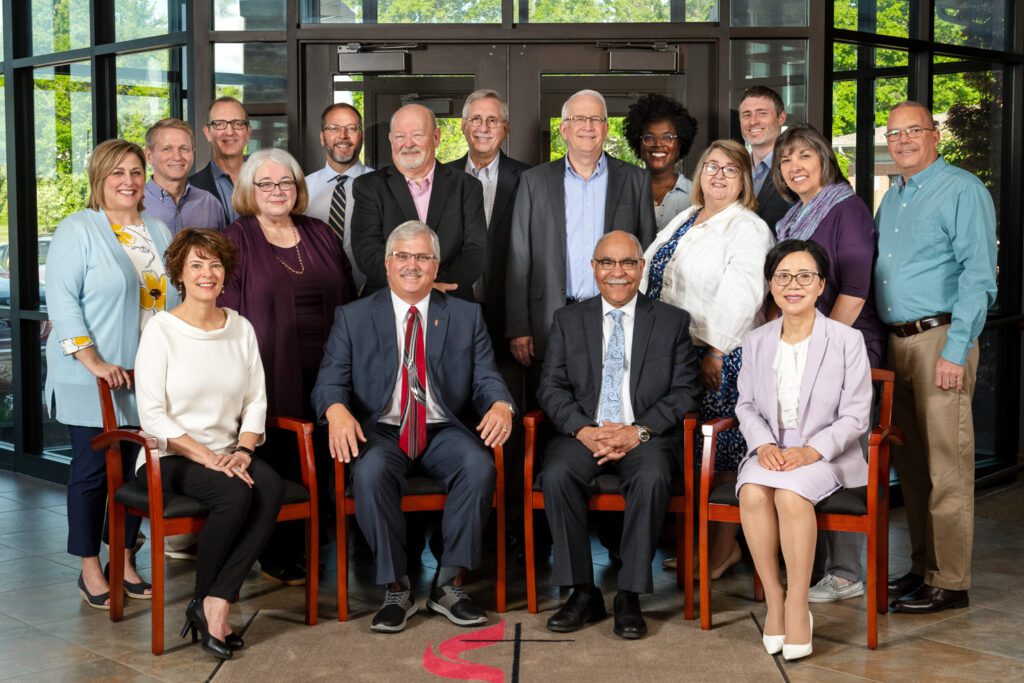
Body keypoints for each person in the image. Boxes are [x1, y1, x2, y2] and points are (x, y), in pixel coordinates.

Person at [312, 221, 515, 634]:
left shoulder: (465, 315)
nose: (412, 265)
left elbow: (485, 376)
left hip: (442, 428)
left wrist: (501, 403)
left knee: (479, 467)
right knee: (368, 472)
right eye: (402, 256)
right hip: (382, 430)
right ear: (387, 264)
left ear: (436, 265)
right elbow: (329, 380)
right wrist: (335, 409)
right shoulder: (353, 317)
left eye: (422, 257)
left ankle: (448, 584)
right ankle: (396, 587)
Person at [538, 231, 700, 640]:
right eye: (607, 263)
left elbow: (686, 391)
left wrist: (638, 431)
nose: (617, 272)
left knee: (651, 477)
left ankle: (629, 593)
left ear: (641, 268)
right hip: (584, 434)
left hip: (644, 435)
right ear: (593, 268)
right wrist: (583, 429)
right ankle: (582, 591)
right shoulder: (568, 319)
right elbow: (551, 387)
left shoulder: (671, 321)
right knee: (556, 475)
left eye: (627, 263)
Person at [135, 228, 283, 660]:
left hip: (228, 452)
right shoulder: (160, 330)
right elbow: (153, 417)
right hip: (170, 456)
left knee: (270, 485)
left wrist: (244, 450)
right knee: (234, 493)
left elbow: (257, 398)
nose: (207, 273)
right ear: (180, 272)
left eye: (215, 264)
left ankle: (214, 599)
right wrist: (209, 458)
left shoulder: (240, 327)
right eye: (196, 264)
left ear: (225, 273)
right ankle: (208, 599)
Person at [45, 138, 180, 609]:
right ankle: (89, 568)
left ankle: (123, 560)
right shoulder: (77, 229)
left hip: (143, 378)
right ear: (98, 180)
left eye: (135, 172)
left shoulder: (160, 231)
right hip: (91, 375)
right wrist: (94, 361)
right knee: (92, 472)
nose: (127, 181)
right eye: (116, 173)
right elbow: (62, 305)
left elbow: (174, 301)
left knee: (134, 473)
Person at [876, 102, 997, 614]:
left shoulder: (963, 190)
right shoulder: (895, 197)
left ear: (934, 135)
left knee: (947, 464)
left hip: (939, 341)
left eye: (913, 131)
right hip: (897, 344)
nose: (902, 140)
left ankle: (951, 580)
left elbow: (979, 276)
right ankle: (923, 568)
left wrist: (955, 349)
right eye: (894, 132)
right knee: (914, 465)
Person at [220, 148, 355, 585]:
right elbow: (224, 313)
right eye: (266, 184)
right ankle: (277, 551)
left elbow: (349, 295)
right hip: (269, 369)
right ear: (249, 190)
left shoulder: (318, 232)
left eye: (285, 183)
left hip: (330, 367)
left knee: (325, 455)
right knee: (278, 458)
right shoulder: (235, 239)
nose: (277, 191)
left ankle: (321, 543)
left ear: (297, 189)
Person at [640, 139, 774, 576]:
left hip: (720, 355)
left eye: (730, 170)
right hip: (676, 350)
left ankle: (722, 547)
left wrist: (715, 351)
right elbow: (650, 269)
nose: (717, 175)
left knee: (721, 452)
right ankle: (696, 542)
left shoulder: (748, 227)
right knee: (691, 451)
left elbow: (743, 295)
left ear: (744, 181)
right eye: (711, 166)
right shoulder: (686, 216)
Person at [735, 239, 872, 661]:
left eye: (804, 276)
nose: (793, 285)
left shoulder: (847, 340)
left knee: (791, 496)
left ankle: (797, 604)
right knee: (753, 492)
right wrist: (761, 444)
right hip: (770, 450)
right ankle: (774, 601)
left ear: (820, 286)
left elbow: (856, 416)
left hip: (824, 454)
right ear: (772, 286)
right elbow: (746, 405)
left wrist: (811, 451)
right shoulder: (756, 340)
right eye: (783, 277)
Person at [770, 123, 887, 603]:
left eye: (804, 157)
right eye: (786, 160)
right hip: (800, 349)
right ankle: (812, 564)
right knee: (804, 450)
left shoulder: (846, 208)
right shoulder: (794, 217)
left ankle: (845, 571)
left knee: (840, 451)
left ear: (823, 159)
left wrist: (822, 351)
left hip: (845, 349)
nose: (795, 167)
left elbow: (855, 292)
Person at [506, 89, 656, 373]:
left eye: (596, 119)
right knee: (554, 404)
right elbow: (519, 257)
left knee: (614, 400)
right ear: (564, 129)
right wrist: (518, 326)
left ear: (606, 127)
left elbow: (647, 253)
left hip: (617, 314)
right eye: (579, 119)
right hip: (550, 315)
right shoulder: (533, 182)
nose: (588, 126)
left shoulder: (635, 179)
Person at [351, 103, 487, 300]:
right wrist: (411, 287)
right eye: (400, 137)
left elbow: (475, 250)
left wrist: (434, 289)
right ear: (391, 140)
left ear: (436, 137)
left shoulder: (467, 187)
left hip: (451, 299)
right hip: (389, 300)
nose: (408, 144)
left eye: (417, 135)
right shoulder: (369, 187)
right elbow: (367, 249)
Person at [445, 89, 531, 348]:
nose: (484, 127)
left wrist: (521, 324)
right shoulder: (441, 178)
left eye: (492, 120)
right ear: (463, 126)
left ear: (505, 128)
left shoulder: (529, 180)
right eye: (476, 119)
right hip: (451, 311)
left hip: (507, 318)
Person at [305, 102, 374, 292]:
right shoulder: (301, 190)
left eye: (351, 128)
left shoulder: (381, 186)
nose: (343, 136)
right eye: (334, 128)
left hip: (370, 294)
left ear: (362, 136)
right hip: (316, 293)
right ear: (322, 137)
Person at [623, 93, 699, 229]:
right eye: (649, 137)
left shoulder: (697, 195)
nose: (658, 144)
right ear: (639, 144)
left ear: (680, 143)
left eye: (668, 137)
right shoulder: (625, 192)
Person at [143, 118, 225, 235]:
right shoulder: (133, 204)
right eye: (167, 149)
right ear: (149, 156)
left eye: (184, 149)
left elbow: (224, 251)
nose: (177, 157)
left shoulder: (210, 204)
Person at [738, 86, 794, 232]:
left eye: (762, 113)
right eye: (746, 115)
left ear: (781, 118)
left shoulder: (795, 170)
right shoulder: (733, 170)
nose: (753, 121)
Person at [190, 96, 252, 226]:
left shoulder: (269, 181)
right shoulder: (190, 188)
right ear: (207, 133)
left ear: (248, 132)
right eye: (219, 124)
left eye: (238, 123)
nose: (229, 132)